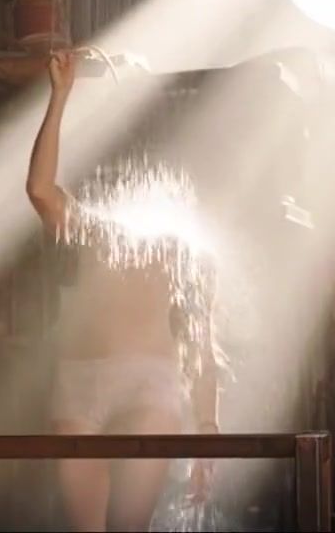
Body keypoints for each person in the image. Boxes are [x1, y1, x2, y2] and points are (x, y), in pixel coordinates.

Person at [27, 49, 221, 532]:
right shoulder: (93, 229)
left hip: (149, 382)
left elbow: (201, 345)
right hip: (81, 381)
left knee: (130, 527)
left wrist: (208, 432)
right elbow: (40, 190)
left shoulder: (185, 245)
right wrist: (60, 96)